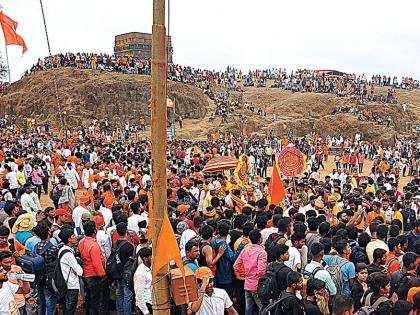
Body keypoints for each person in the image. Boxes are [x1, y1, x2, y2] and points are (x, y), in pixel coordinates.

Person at [233, 230, 267, 315]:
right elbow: (261, 271)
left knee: (248, 308)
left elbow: (236, 265)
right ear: (260, 239)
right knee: (262, 308)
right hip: (257, 285)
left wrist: (245, 275)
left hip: (247, 284)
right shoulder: (262, 252)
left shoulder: (245, 250)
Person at [78, 220, 106, 315]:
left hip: (85, 274)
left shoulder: (81, 242)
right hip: (93, 276)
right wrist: (103, 274)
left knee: (89, 299)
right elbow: (97, 264)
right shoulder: (94, 246)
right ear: (95, 231)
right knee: (95, 302)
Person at [35, 221, 59, 315]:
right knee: (50, 302)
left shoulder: (37, 246)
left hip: (39, 278)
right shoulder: (53, 248)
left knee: (41, 303)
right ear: (49, 232)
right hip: (49, 278)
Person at [57, 228, 83, 315]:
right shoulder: (68, 254)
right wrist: (78, 263)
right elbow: (80, 271)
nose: (75, 237)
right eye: (73, 236)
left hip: (65, 284)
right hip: (71, 286)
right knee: (70, 310)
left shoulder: (62, 249)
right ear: (69, 239)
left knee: (66, 309)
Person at [113, 222, 135, 315]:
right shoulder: (129, 245)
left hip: (117, 272)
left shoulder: (115, 244)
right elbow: (132, 261)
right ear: (126, 231)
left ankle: (120, 312)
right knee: (127, 296)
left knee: (119, 293)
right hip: (127, 274)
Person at [134, 248, 152, 315]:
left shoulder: (150, 268)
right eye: (151, 256)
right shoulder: (140, 273)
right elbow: (139, 295)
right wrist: (146, 312)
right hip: (145, 305)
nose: (152, 258)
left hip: (151, 303)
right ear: (145, 259)